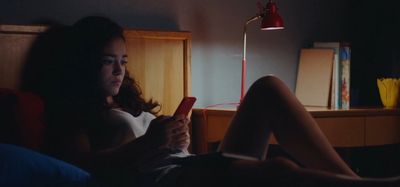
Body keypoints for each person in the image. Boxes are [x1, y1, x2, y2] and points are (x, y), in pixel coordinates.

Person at [41, 16, 400, 187]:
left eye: (124, 61)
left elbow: (171, 152)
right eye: (108, 61)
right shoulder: (76, 113)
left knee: (268, 88)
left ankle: (354, 182)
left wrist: (176, 139)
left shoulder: (126, 104)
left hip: (188, 166)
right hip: (165, 180)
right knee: (279, 171)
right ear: (85, 64)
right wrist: (149, 145)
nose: (119, 71)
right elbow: (83, 169)